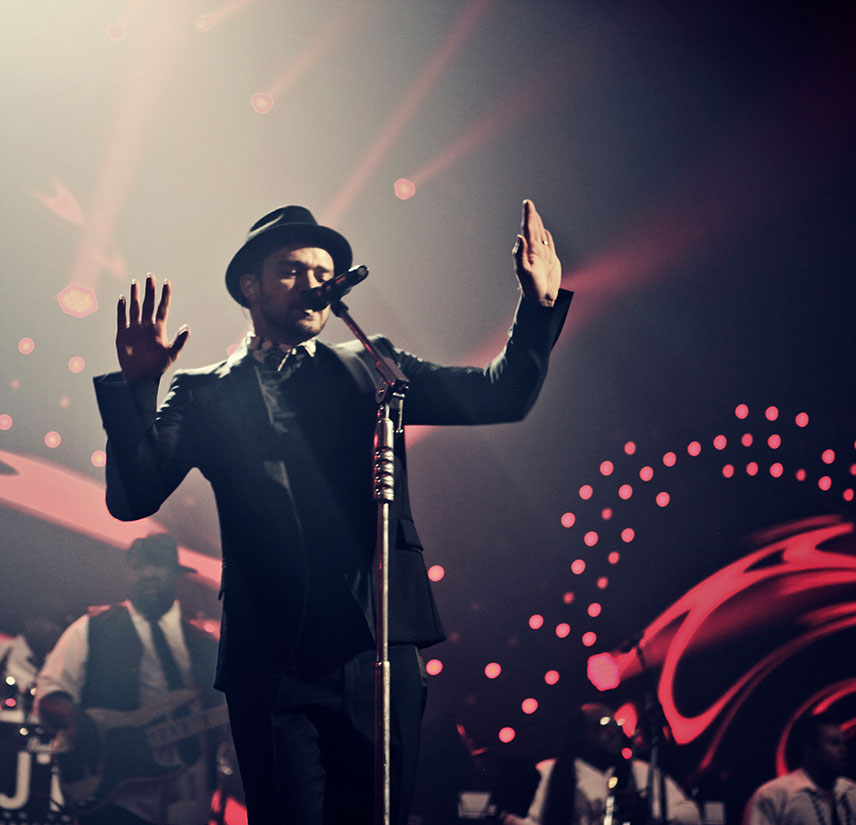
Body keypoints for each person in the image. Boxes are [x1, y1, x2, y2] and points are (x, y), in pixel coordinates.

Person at [91, 201, 571, 824]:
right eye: (293, 270)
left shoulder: (372, 368)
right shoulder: (205, 392)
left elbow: (501, 396)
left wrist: (537, 306)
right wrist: (139, 388)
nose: (313, 282)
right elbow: (132, 500)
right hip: (272, 659)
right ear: (250, 286)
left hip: (378, 648)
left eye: (323, 272)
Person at [35, 534, 221, 825]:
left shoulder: (203, 645)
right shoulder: (91, 629)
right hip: (117, 796)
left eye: (158, 565)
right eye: (140, 566)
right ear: (128, 573)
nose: (148, 574)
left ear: (176, 575)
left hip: (189, 795)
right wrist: (81, 726)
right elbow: (49, 695)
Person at [513, 702, 701, 825]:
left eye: (616, 725)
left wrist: (648, 811)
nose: (613, 732)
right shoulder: (548, 772)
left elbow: (692, 816)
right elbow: (526, 820)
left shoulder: (642, 772)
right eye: (602, 724)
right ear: (579, 734)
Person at [744, 711, 855, 825]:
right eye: (834, 743)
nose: (843, 749)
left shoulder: (852, 791)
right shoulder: (774, 795)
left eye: (843, 743)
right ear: (809, 749)